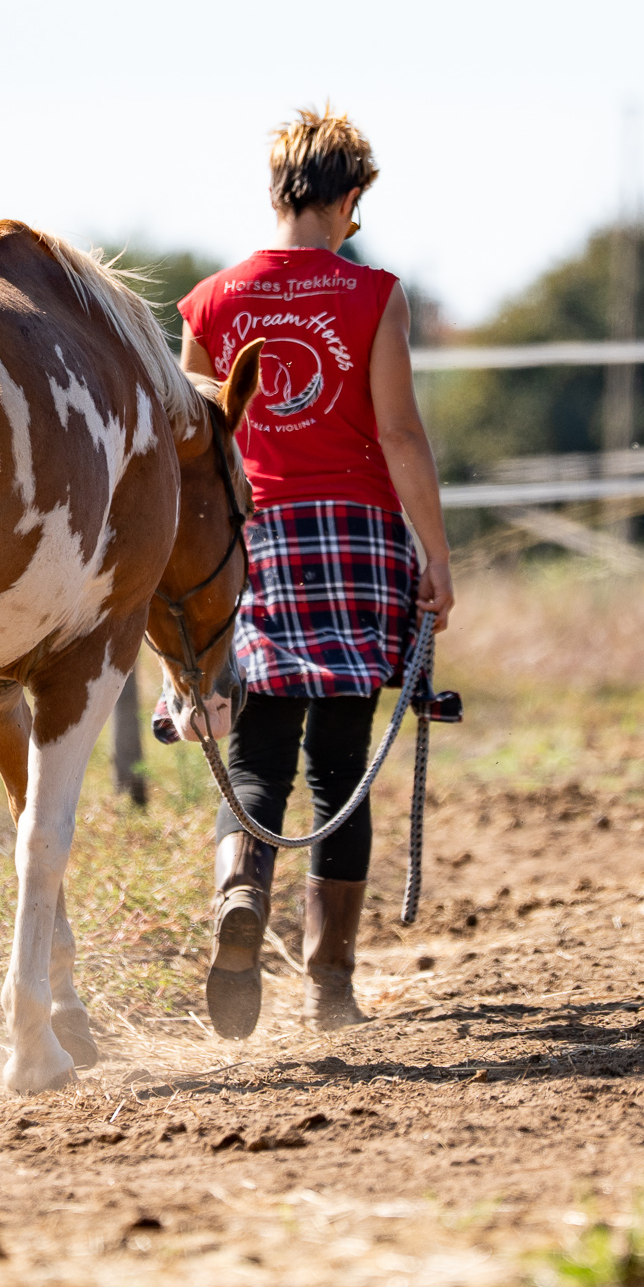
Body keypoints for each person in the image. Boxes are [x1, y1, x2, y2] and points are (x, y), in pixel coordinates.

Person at [176, 106, 454, 1038]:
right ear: (351, 198)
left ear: (274, 192)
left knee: (254, 757)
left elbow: (196, 449)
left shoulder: (211, 302)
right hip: (357, 540)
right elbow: (400, 432)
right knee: (339, 766)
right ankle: (329, 985)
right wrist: (436, 556)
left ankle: (236, 896)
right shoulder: (374, 295)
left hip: (249, 539)